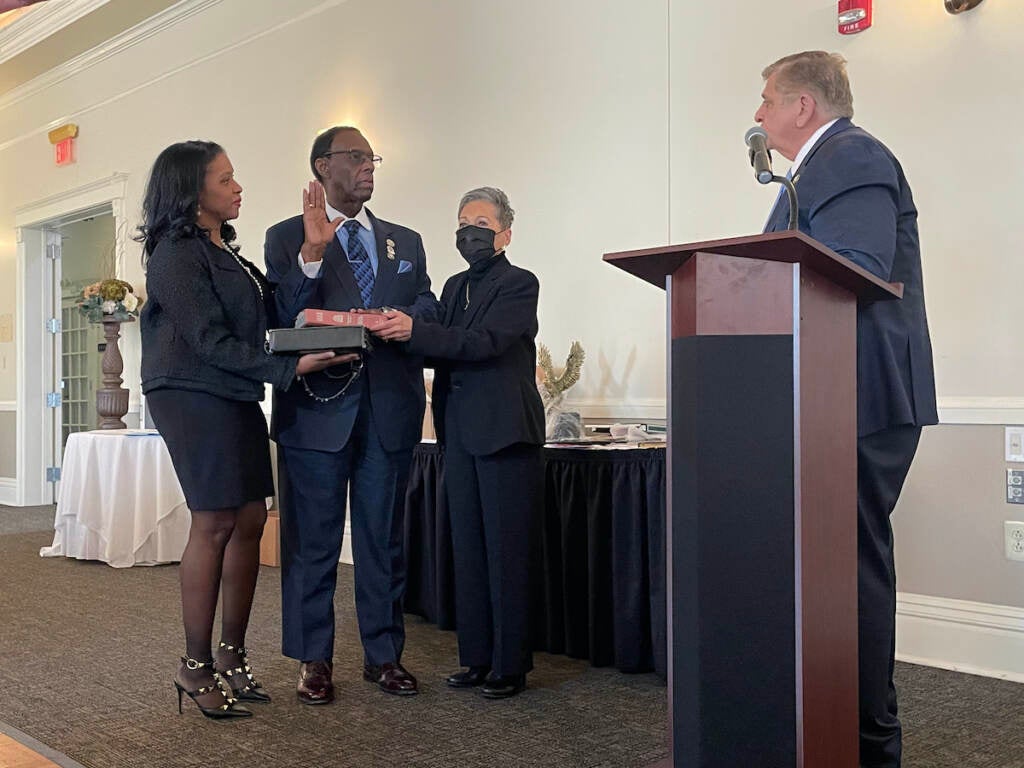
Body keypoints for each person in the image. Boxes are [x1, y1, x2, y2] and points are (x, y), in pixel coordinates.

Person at [755, 52, 938, 767]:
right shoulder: (818, 170)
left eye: (767, 99)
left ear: (803, 106)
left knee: (848, 569)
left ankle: (866, 745)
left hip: (858, 394)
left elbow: (855, 263)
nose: (759, 113)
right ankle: (823, 730)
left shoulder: (853, 155)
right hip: (828, 393)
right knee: (825, 569)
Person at [138, 141, 346, 720]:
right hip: (188, 392)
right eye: (225, 179)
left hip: (232, 391)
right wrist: (288, 368)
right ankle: (195, 664)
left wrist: (309, 250)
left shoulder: (226, 253)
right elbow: (208, 341)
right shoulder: (175, 253)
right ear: (192, 191)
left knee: (252, 517)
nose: (237, 187)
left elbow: (272, 313)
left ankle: (231, 655)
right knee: (216, 520)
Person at [264, 126, 438, 703]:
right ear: (322, 166)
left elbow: (428, 305)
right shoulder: (285, 236)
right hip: (316, 412)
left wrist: (403, 317)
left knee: (382, 540)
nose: (368, 167)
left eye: (372, 159)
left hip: (389, 410)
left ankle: (384, 656)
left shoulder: (404, 241)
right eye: (356, 157)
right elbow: (281, 321)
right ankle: (314, 660)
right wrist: (312, 255)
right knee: (311, 544)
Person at [371, 187, 545, 699]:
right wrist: (388, 328)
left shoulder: (520, 283)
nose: (470, 231)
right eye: (463, 221)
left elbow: (484, 343)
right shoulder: (452, 286)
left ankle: (510, 665)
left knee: (506, 551)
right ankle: (477, 658)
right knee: (468, 547)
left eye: (482, 222)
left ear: (505, 234)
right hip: (460, 434)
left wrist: (413, 332)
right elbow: (436, 344)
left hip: (506, 432)